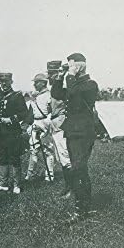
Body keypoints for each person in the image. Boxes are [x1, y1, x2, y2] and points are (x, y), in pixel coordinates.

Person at [51, 53, 99, 222]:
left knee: (78, 168)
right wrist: (59, 77)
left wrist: (70, 76)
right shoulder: (75, 84)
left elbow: (76, 98)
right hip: (73, 132)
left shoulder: (90, 85)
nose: (69, 69)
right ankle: (84, 206)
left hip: (83, 132)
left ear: (79, 66)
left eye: (71, 65)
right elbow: (57, 93)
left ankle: (81, 210)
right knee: (80, 169)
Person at [0, 72, 28, 195]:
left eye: (6, 82)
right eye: (2, 82)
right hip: (1, 132)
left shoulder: (17, 96)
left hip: (13, 132)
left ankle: (17, 185)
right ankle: (3, 184)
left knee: (14, 157)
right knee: (2, 157)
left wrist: (10, 119)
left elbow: (23, 113)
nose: (4, 84)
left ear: (11, 82)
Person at [47, 61, 72, 198]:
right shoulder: (55, 87)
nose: (50, 77)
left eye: (53, 74)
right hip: (55, 122)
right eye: (50, 74)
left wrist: (60, 77)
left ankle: (71, 188)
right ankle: (68, 186)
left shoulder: (62, 86)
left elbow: (58, 93)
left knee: (65, 156)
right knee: (60, 157)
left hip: (61, 122)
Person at [25, 73, 55, 182]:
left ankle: (50, 175)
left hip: (45, 124)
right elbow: (32, 113)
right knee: (33, 150)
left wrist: (44, 127)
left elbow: (52, 113)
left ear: (43, 83)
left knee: (48, 150)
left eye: (36, 82)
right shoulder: (35, 96)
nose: (34, 85)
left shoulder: (49, 96)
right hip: (35, 123)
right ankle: (30, 174)